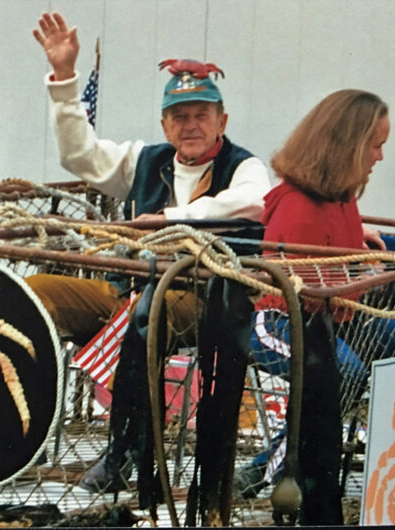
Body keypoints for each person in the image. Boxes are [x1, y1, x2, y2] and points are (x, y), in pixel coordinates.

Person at [30, 12, 273, 492]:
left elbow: (254, 204)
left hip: (205, 300)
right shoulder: (146, 160)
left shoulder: (244, 167)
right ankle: (17, 429)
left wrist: (169, 219)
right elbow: (79, 156)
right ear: (164, 124)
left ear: (222, 120)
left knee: (149, 311)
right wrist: (63, 80)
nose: (191, 125)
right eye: (180, 117)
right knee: (35, 293)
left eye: (202, 114)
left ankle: (126, 456)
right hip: (129, 288)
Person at [232, 90, 395, 524]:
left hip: (337, 319)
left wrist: (362, 249)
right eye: (376, 145)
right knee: (341, 370)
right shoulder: (297, 206)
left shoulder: (341, 196)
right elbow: (304, 290)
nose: (381, 157)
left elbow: (336, 262)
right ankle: (273, 470)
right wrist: (369, 276)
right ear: (347, 146)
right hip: (281, 320)